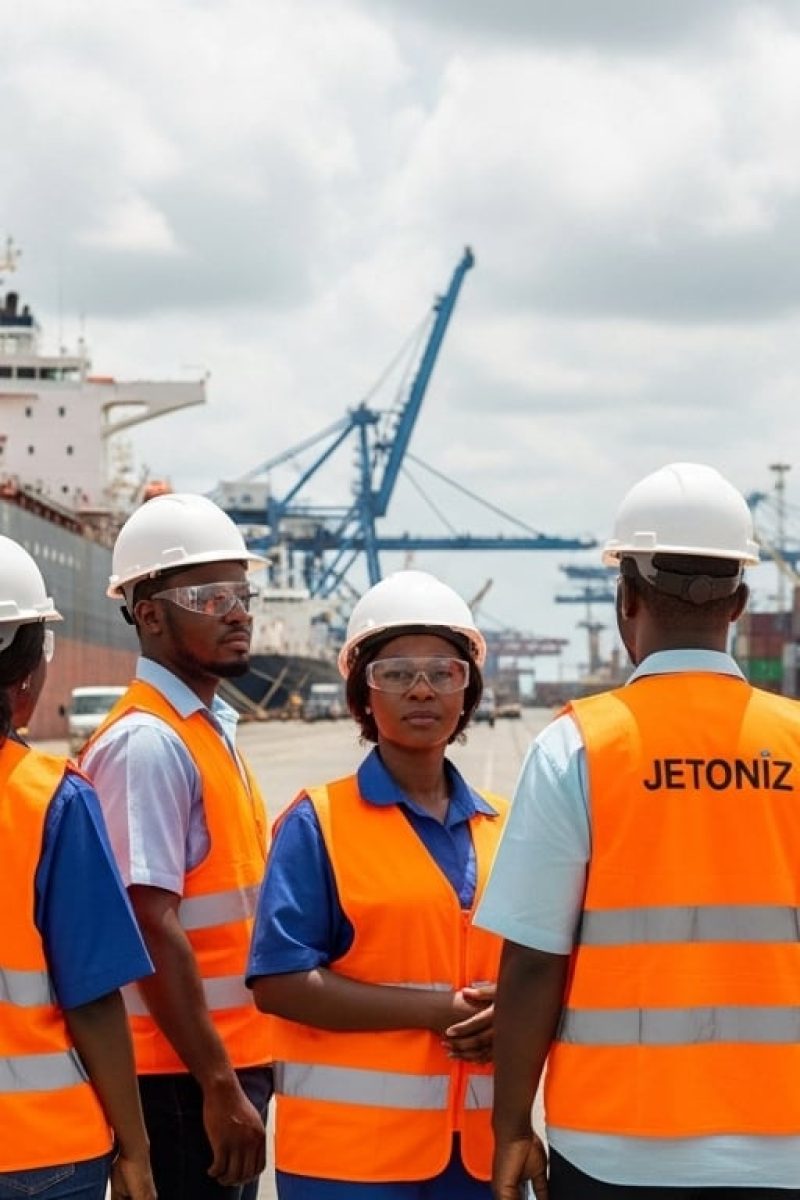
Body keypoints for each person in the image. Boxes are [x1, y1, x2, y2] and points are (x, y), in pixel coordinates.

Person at [476, 461, 800, 1199]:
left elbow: (532, 961)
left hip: (616, 1142)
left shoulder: (579, 746)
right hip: (787, 1140)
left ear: (625, 599)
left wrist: (512, 1128)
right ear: (741, 602)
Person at [248, 568, 509, 1199]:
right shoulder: (319, 823)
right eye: (394, 674)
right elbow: (279, 983)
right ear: (363, 695)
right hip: (349, 1165)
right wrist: (437, 1014)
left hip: (475, 1158)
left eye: (443, 672)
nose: (421, 690)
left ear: (467, 690)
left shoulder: (505, 826)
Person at [80, 493, 273, 1200]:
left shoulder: (205, 727)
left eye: (241, 592)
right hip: (178, 1079)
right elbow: (147, 924)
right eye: (208, 594)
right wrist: (218, 1085)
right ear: (151, 614)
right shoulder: (147, 744)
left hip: (216, 1063)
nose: (237, 610)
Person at [0, 535, 155, 1200]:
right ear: (29, 670)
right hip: (39, 1152)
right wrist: (137, 1149)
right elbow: (92, 997)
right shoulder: (50, 799)